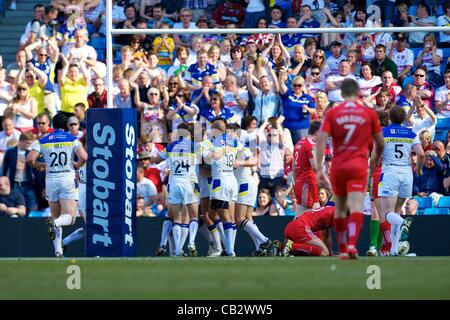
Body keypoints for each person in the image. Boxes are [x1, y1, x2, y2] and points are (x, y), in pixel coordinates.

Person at [315, 78, 384, 259]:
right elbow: (380, 142)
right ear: (357, 92)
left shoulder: (333, 113)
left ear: (343, 94)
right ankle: (353, 244)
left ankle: (344, 248)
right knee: (356, 207)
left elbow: (321, 139)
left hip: (338, 165)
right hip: (359, 165)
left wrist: (319, 168)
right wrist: (374, 160)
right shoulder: (368, 113)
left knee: (340, 208)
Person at [27, 113, 88, 258]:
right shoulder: (72, 140)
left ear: (52, 125)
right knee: (70, 218)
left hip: (51, 180)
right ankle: (54, 225)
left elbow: (30, 159)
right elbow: (85, 157)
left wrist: (38, 165)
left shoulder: (43, 140)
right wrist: (77, 165)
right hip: (67, 178)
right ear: (66, 125)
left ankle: (58, 252)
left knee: (56, 216)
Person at [378, 106, 425, 256]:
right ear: (404, 118)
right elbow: (421, 154)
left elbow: (375, 155)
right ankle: (393, 250)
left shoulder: (383, 132)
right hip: (406, 173)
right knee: (397, 211)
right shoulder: (411, 133)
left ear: (390, 118)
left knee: (387, 213)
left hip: (390, 172)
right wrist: (418, 169)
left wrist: (373, 165)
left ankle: (403, 223)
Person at [150, 122, 200, 257]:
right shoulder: (195, 146)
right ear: (190, 133)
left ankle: (177, 250)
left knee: (175, 218)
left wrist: (151, 156)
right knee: (192, 216)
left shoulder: (172, 146)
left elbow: (156, 160)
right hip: (190, 183)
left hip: (175, 182)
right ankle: (191, 243)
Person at [1, 131, 38, 213]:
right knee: (18, 204)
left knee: (33, 204)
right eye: (27, 143)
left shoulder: (29, 153)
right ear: (21, 141)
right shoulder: (10, 152)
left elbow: (35, 170)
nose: (29, 145)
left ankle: (33, 222)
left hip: (28, 184)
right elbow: (4, 168)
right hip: (14, 184)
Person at [292, 121, 321, 216]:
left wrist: (296, 182)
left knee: (316, 214)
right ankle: (289, 231)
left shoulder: (298, 143)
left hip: (303, 182)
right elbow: (315, 166)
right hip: (308, 182)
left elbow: (293, 166)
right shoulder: (311, 144)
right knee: (302, 216)